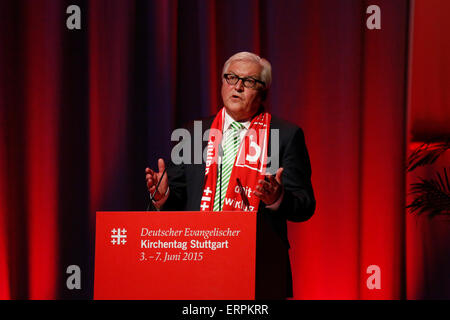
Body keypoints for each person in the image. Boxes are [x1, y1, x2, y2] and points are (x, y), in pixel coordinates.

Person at [145, 51, 315, 299]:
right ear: (222, 83)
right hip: (195, 263)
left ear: (263, 90)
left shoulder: (286, 135)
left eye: (248, 81)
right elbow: (179, 197)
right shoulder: (193, 133)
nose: (237, 87)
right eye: (231, 78)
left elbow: (305, 204)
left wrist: (277, 199)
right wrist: (163, 196)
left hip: (258, 268)